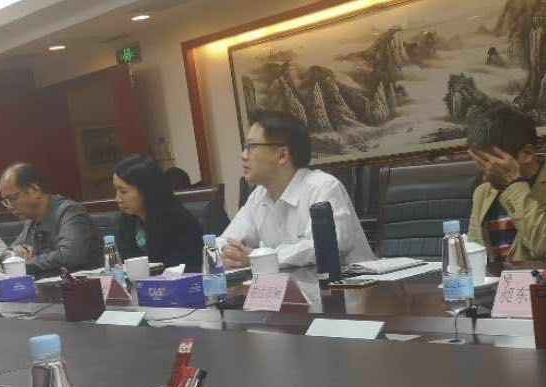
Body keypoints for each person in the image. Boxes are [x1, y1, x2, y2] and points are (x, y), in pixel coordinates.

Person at [218, 110, 374, 269]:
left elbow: (325, 245)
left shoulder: (323, 187)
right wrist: (227, 254)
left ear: (282, 155)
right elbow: (224, 241)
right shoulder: (258, 196)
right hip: (291, 284)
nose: (243, 155)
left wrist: (260, 258)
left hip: (351, 282)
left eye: (251, 147)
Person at [466, 104, 546, 265]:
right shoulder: (483, 191)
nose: (486, 173)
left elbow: (544, 245)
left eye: (491, 162)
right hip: (495, 280)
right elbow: (474, 253)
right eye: (480, 163)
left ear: (526, 153)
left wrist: (513, 184)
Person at [0, 163, 103, 277]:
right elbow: (8, 254)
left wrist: (23, 263)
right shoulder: (31, 221)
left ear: (34, 190)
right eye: (6, 201)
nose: (10, 207)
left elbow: (69, 256)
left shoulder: (70, 212)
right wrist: (13, 254)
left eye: (13, 198)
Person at [113, 156, 204, 271]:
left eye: (123, 191)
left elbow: (184, 269)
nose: (117, 199)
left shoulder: (180, 222)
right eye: (116, 191)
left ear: (146, 190)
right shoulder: (126, 221)